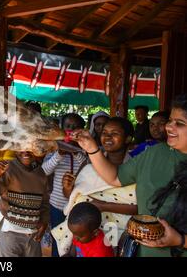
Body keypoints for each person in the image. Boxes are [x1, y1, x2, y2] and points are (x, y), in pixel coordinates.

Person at [70, 94, 187, 257]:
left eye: (179, 123)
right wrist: (91, 148)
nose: (169, 127)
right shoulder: (155, 153)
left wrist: (181, 240)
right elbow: (115, 178)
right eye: (170, 121)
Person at [53, 117, 138, 256]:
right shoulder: (89, 165)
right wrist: (68, 189)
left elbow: (139, 206)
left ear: (128, 138)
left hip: (119, 235)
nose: (108, 137)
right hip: (83, 234)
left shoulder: (135, 169)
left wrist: (103, 206)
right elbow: (75, 198)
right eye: (104, 132)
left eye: (114, 133)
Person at [0, 151, 49, 257]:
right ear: (15, 149)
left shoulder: (40, 173)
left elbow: (44, 202)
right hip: (9, 234)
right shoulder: (7, 168)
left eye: (30, 147)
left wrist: (44, 222)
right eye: (22, 147)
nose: (26, 151)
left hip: (32, 235)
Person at [42, 113, 87, 257]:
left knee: (75, 243)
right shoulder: (54, 149)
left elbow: (87, 166)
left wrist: (75, 151)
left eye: (75, 127)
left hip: (77, 206)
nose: (71, 130)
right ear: (62, 129)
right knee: (58, 241)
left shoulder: (85, 150)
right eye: (68, 127)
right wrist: (60, 153)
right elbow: (45, 170)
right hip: (57, 206)